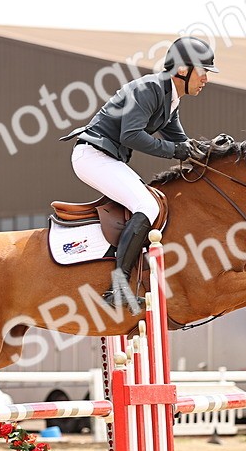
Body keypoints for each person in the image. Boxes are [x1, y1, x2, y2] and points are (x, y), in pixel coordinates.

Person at [61, 36, 218, 308]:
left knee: (154, 202)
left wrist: (213, 151)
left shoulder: (170, 99)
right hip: (93, 156)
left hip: (106, 158)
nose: (206, 79)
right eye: (203, 71)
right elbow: (132, 135)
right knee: (146, 204)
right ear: (183, 69)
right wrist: (176, 150)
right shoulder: (149, 89)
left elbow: (182, 144)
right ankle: (118, 288)